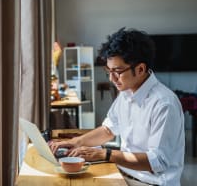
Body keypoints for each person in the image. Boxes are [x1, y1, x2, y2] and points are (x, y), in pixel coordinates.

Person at [49, 28, 185, 186]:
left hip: (150, 183)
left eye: (117, 71)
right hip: (123, 175)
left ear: (140, 69)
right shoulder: (126, 93)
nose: (111, 78)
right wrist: (77, 142)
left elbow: (158, 161)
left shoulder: (164, 104)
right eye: (108, 70)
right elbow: (108, 129)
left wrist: (105, 154)